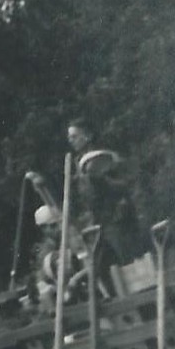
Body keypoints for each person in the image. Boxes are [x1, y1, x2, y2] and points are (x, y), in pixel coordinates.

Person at [66, 119, 145, 293]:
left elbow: (124, 184)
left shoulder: (102, 157)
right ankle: (119, 306)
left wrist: (101, 180)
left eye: (75, 136)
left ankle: (143, 302)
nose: (71, 140)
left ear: (87, 135)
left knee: (128, 264)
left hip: (117, 219)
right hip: (99, 222)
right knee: (101, 267)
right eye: (69, 137)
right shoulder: (78, 163)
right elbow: (85, 197)